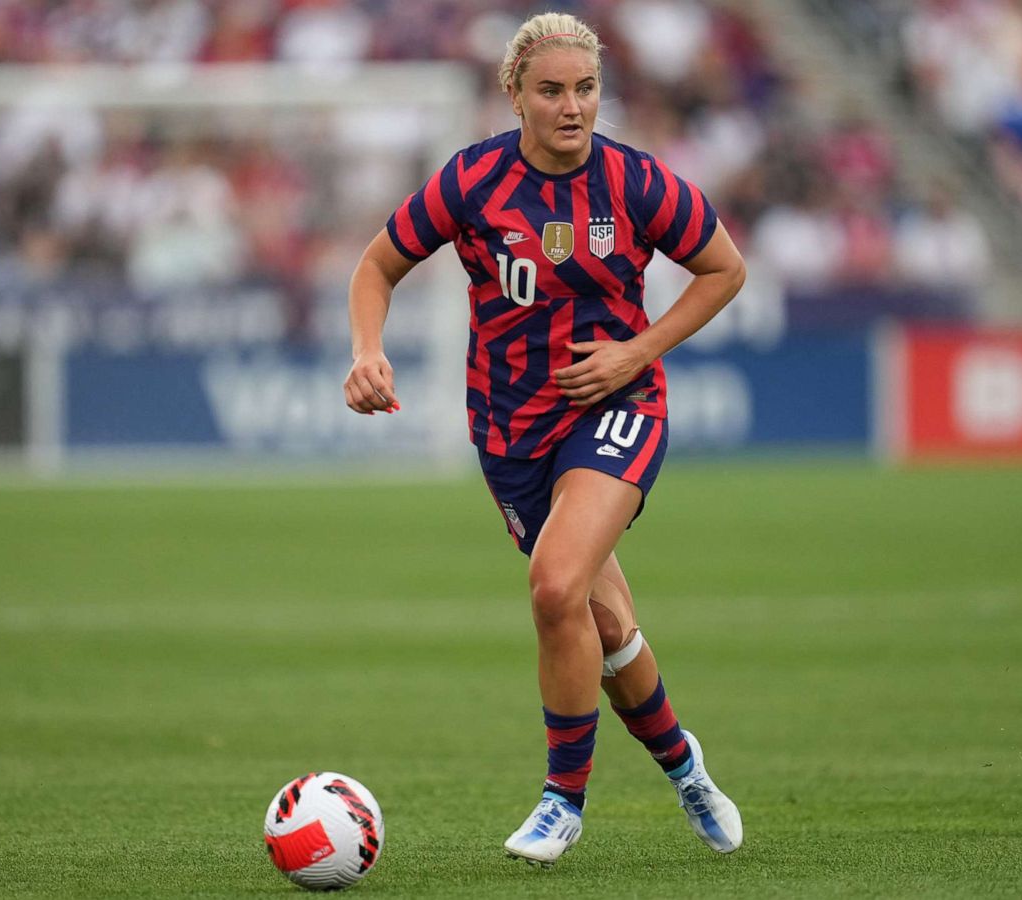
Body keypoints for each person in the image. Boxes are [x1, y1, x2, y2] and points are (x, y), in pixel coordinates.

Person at [343, 12, 746, 867]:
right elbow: (377, 265)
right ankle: (685, 768)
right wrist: (368, 352)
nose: (573, 107)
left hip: (618, 405)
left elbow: (725, 268)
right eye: (552, 91)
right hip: (510, 430)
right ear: (516, 96)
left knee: (555, 586)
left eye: (586, 89)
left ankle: (562, 801)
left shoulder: (636, 184)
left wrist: (636, 351)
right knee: (603, 618)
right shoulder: (473, 181)